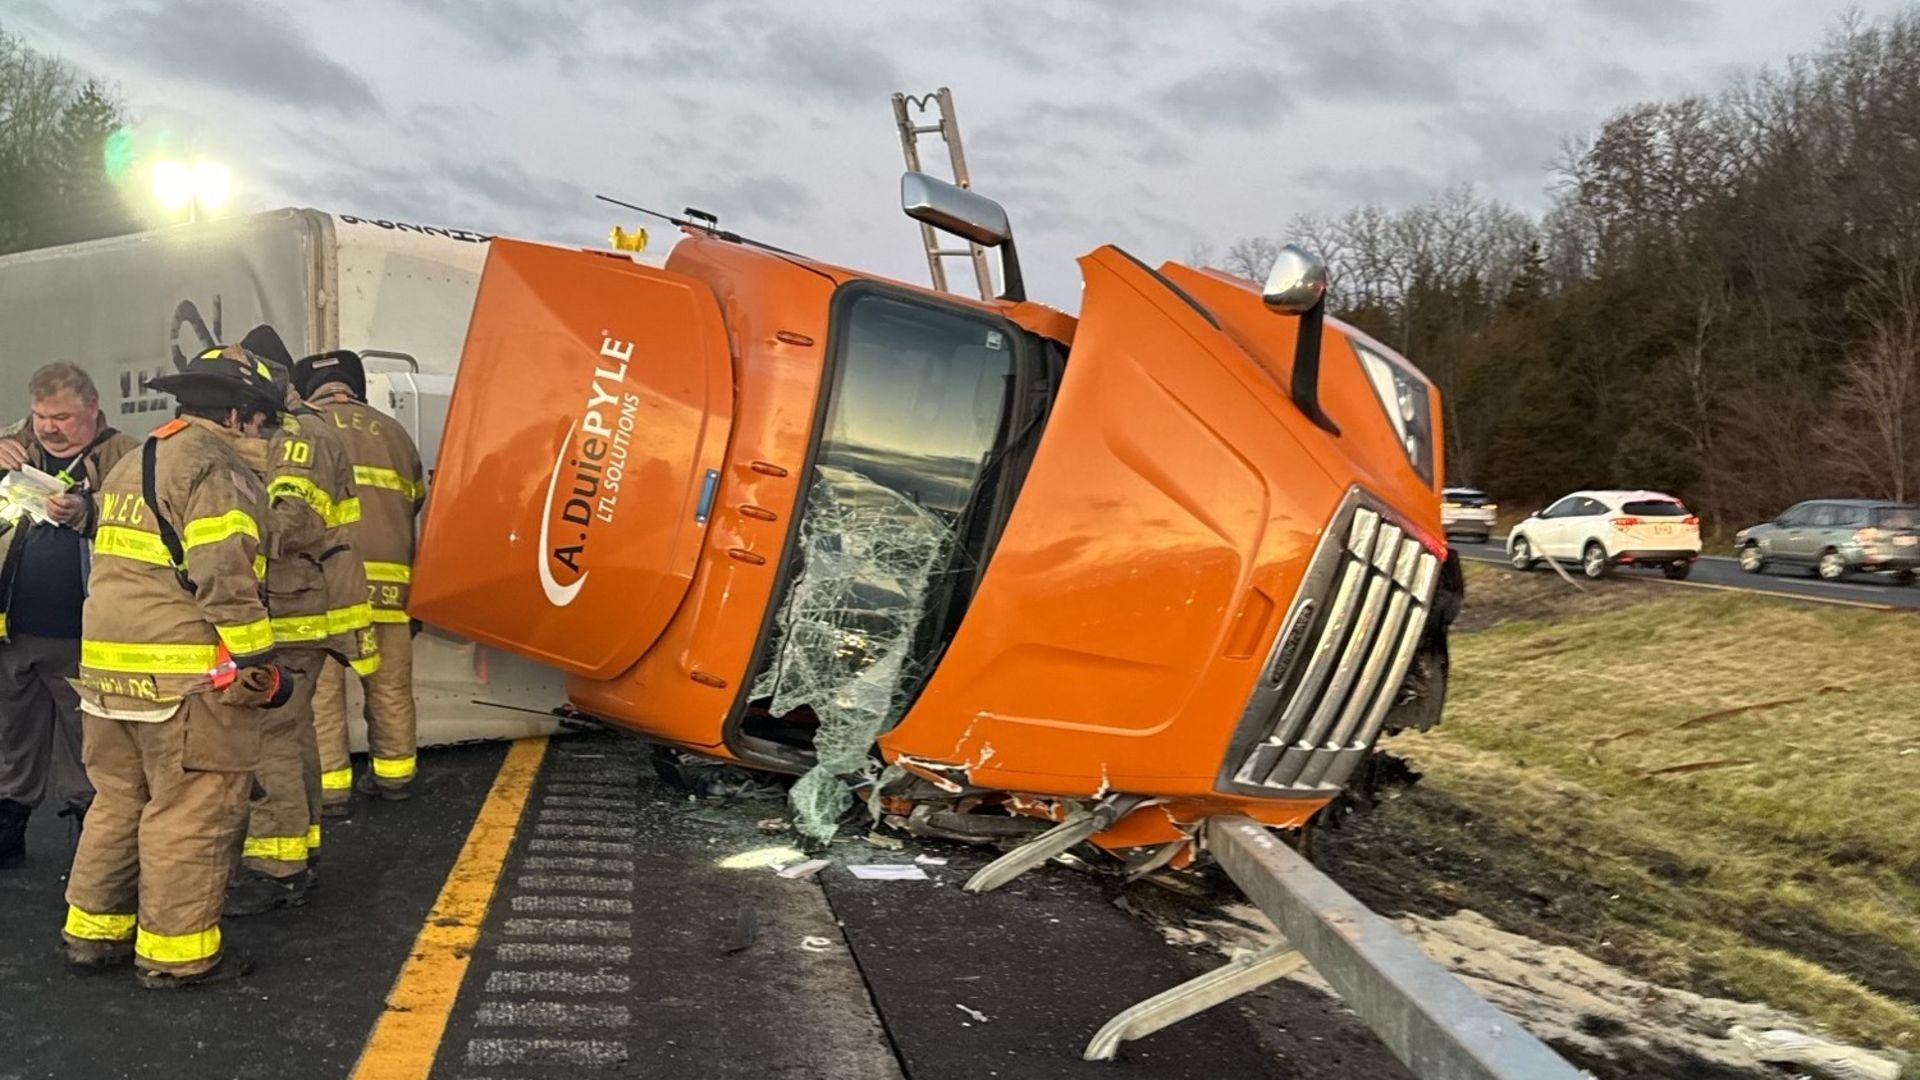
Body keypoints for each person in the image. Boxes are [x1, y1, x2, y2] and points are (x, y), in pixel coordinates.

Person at [61, 345, 292, 988]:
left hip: (108, 677)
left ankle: (94, 933)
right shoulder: (217, 469)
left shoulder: (133, 462)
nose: (268, 435)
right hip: (187, 680)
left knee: (118, 801)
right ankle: (178, 954)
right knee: (190, 812)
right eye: (266, 422)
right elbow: (224, 577)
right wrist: (259, 664)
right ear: (242, 416)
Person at [226, 326, 376, 915]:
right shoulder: (298, 432)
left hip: (293, 608)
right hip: (298, 607)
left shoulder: (297, 438)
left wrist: (215, 524)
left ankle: (276, 866)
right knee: (291, 733)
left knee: (270, 738)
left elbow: (290, 525)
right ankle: (299, 844)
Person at [0, 363, 135, 867]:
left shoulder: (127, 455)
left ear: (93, 410)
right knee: (13, 732)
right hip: (12, 630)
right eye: (39, 417)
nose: (48, 428)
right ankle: (9, 819)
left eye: (61, 417)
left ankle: (92, 827)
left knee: (90, 738)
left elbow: (151, 523)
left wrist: (89, 511)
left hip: (86, 634)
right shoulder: (11, 443)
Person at [294, 351, 424, 808]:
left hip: (328, 587)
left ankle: (332, 792)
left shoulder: (302, 433)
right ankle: (395, 778)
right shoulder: (395, 434)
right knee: (389, 687)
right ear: (355, 385)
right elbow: (416, 502)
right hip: (391, 589)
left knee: (322, 694)